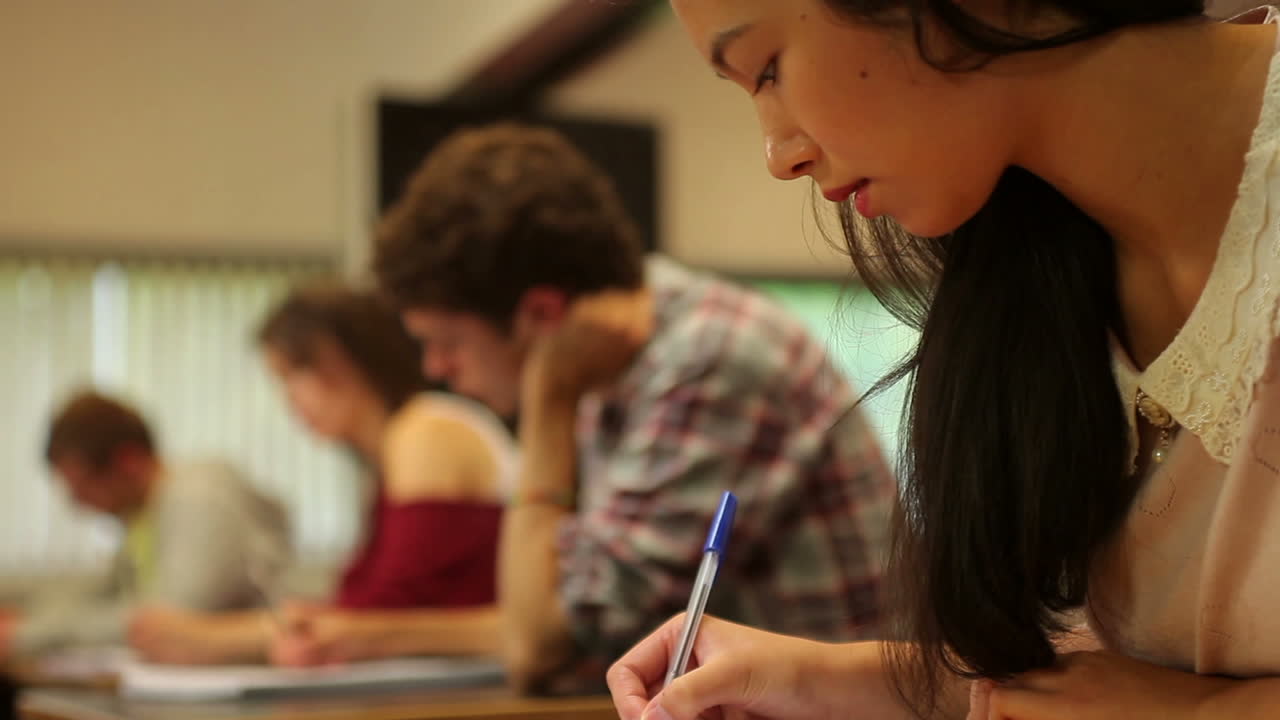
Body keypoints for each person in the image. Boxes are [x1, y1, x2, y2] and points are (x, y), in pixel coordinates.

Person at [606, 2, 1280, 719]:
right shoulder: (1041, 256)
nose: (779, 155)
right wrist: (804, 677)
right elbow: (1097, 687)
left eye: (767, 70)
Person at [372, 123, 896, 693]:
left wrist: (546, 403)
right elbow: (560, 616)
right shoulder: (623, 363)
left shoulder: (711, 360)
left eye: (446, 342)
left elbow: (540, 648)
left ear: (543, 315)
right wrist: (364, 638)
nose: (435, 369)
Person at [129, 283, 517, 665]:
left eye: (292, 375)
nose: (289, 400)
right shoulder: (393, 454)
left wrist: (213, 639)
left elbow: (386, 614)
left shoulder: (425, 431)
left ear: (337, 361)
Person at [0, 391, 289, 658]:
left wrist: (29, 633)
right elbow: (105, 591)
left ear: (129, 462)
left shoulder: (197, 496)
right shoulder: (142, 514)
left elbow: (165, 620)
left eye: (82, 486)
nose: (78, 504)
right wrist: (27, 616)